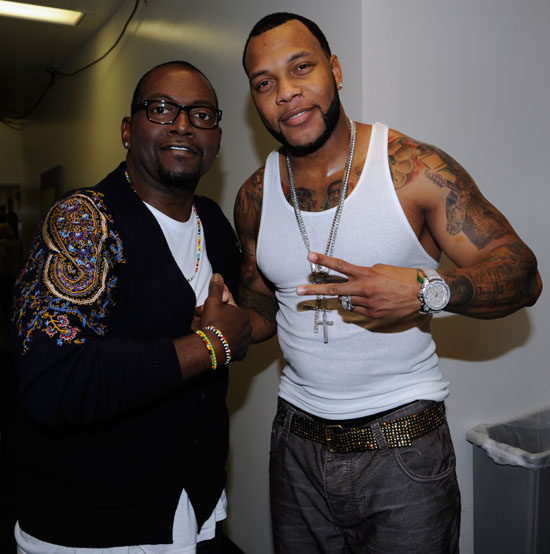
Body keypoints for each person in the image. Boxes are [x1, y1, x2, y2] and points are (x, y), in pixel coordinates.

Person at [235, 12, 542, 554]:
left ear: (334, 70)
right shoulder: (255, 196)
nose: (286, 93)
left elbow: (522, 271)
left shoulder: (412, 169)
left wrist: (428, 290)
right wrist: (228, 326)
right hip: (296, 448)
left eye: (301, 68)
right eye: (265, 83)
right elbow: (262, 294)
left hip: (403, 451)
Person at [10, 60, 251, 553]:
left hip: (193, 509)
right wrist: (211, 345)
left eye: (201, 114)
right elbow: (52, 381)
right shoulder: (81, 222)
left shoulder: (213, 222)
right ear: (128, 129)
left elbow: (240, 317)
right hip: (91, 529)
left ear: (217, 138)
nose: (183, 125)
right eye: (161, 109)